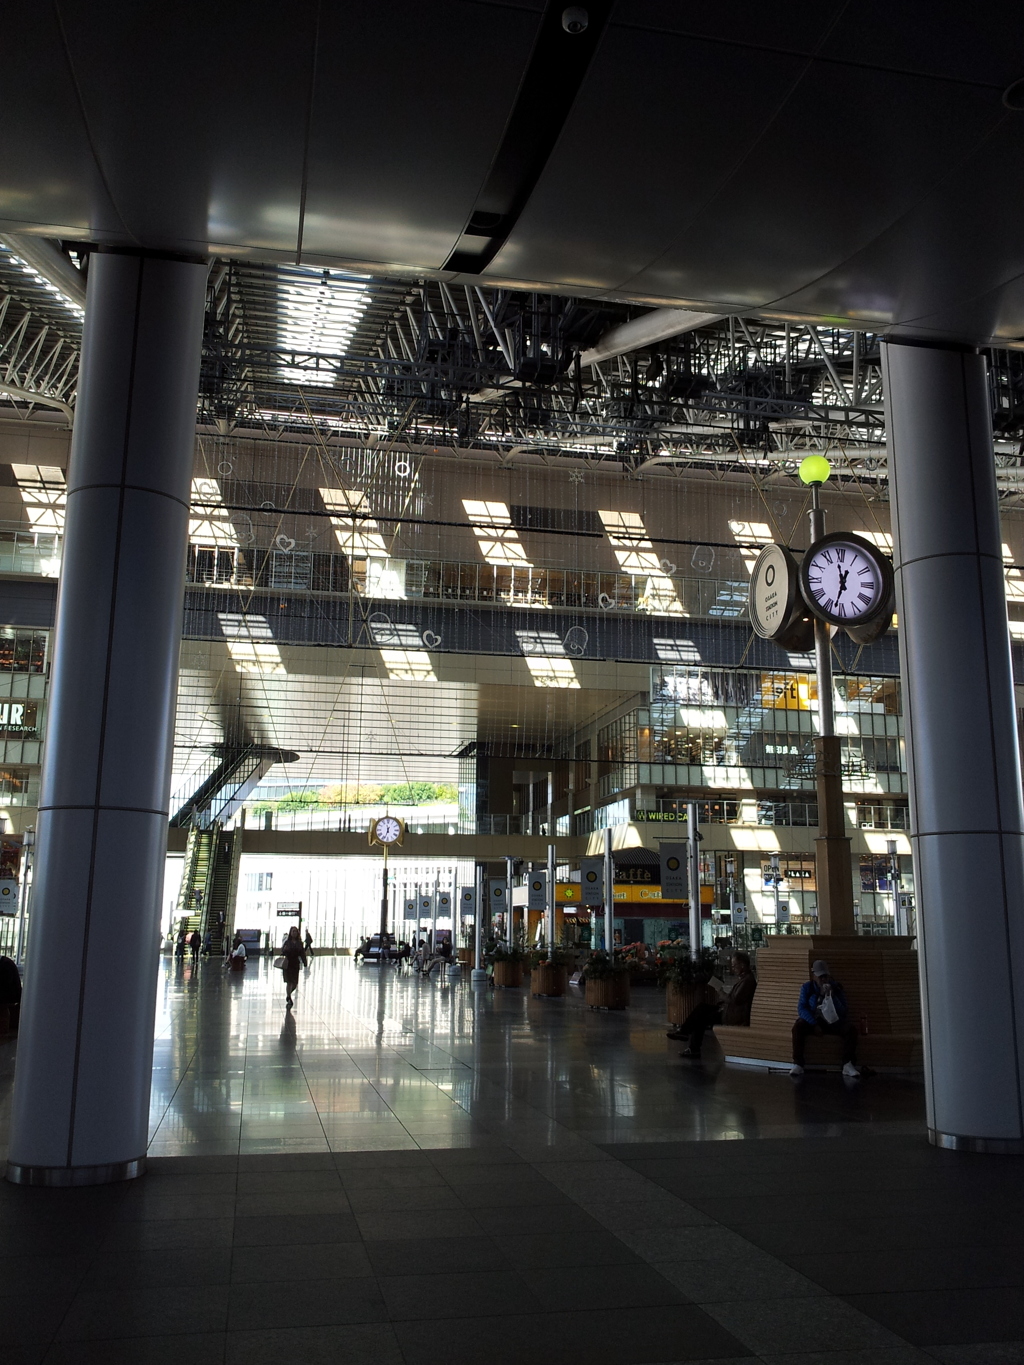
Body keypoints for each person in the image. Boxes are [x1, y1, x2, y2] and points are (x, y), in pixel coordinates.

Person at [675, 953, 757, 1059]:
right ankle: (684, 1032)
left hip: (732, 1015)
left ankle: (691, 1044)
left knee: (701, 1018)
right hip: (730, 1010)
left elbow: (733, 1000)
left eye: (734, 965)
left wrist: (720, 991)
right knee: (702, 1007)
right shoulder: (744, 979)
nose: (733, 968)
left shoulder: (747, 981)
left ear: (742, 965)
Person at [791, 959, 860, 1077]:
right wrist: (813, 1024)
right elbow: (802, 1008)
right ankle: (798, 1063)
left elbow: (843, 1011)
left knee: (851, 1029)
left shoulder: (837, 988)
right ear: (814, 976)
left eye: (825, 976)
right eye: (820, 977)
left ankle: (847, 1064)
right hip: (814, 1021)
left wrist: (832, 996)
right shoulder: (807, 988)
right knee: (798, 1026)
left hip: (832, 1022)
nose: (823, 980)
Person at [279, 924, 307, 1008]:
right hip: (288, 963)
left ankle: (288, 994)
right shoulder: (287, 942)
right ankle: (289, 997)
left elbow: (302, 953)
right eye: (293, 931)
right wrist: (285, 950)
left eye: (296, 931)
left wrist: (305, 961)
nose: (294, 933)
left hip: (295, 964)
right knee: (289, 981)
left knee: (295, 983)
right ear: (290, 933)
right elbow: (283, 951)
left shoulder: (299, 943)